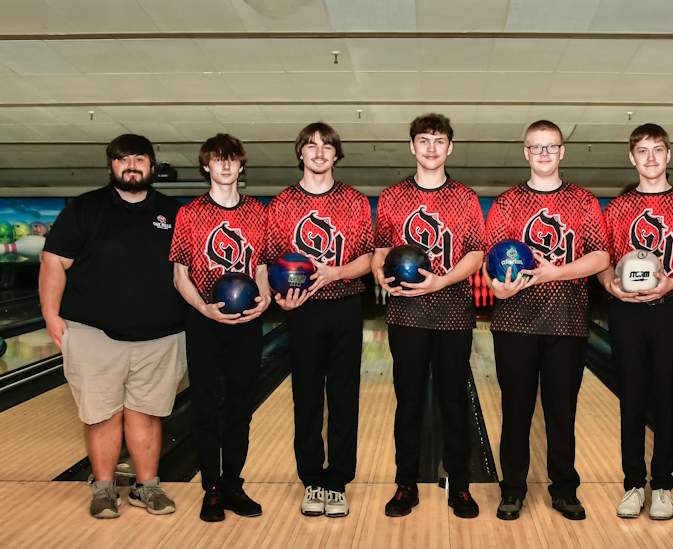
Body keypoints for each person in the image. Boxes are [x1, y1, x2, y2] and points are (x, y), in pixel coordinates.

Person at [40, 134, 185, 519]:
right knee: (101, 414)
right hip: (92, 332)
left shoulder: (174, 212)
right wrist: (51, 316)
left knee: (148, 414)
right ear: (111, 167)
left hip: (162, 334)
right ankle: (104, 490)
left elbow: (186, 272)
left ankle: (147, 488)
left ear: (152, 167)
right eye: (123, 159)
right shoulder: (85, 209)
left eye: (140, 159)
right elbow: (53, 261)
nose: (131, 165)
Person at [483, 119, 610, 521]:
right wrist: (498, 288)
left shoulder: (584, 202)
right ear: (525, 153)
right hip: (513, 324)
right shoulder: (505, 204)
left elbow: (601, 257)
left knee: (561, 411)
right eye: (536, 147)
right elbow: (491, 262)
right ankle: (513, 490)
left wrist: (555, 271)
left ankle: (565, 490)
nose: (543, 153)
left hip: (567, 323)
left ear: (561, 152)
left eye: (550, 146)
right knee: (516, 410)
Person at [372, 113, 486, 519]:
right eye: (424, 140)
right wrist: (378, 275)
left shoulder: (466, 198)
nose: (432, 148)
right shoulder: (392, 196)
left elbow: (476, 253)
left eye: (439, 141)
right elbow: (381, 251)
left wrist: (441, 282)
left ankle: (460, 484)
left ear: (449, 147)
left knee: (454, 401)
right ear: (413, 146)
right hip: (406, 314)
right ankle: (405, 484)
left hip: (454, 313)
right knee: (409, 402)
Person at [598, 123, 673, 521]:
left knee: (667, 399)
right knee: (631, 400)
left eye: (657, 150)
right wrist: (610, 285)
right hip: (626, 312)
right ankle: (632, 484)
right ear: (632, 158)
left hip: (672, 310)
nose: (650, 158)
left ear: (668, 155)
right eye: (642, 151)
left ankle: (661, 485)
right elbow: (604, 262)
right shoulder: (615, 210)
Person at [267, 123, 374, 518]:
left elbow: (368, 259)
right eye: (311, 146)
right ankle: (312, 479)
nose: (318, 152)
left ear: (335, 155)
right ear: (300, 153)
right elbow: (273, 263)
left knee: (344, 397)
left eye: (326, 146)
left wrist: (335, 272)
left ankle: (338, 480)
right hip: (303, 311)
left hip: (345, 304)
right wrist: (281, 297)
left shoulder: (356, 201)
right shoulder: (280, 206)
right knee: (307, 397)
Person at [170, 133, 271, 522]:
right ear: (206, 166)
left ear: (241, 166)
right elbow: (180, 275)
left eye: (232, 160)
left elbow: (261, 266)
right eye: (218, 160)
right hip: (204, 322)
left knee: (241, 409)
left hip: (246, 324)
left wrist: (262, 299)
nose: (226, 166)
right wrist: (204, 309)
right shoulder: (190, 213)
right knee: (207, 407)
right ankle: (211, 487)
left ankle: (233, 483)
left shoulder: (258, 213)